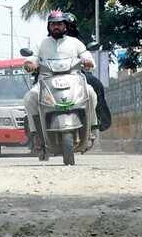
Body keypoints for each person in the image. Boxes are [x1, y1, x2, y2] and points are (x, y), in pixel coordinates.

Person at [23, 10, 99, 145]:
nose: (56, 27)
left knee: (91, 93)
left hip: (74, 79)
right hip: (46, 81)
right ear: (49, 27)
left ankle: (92, 127)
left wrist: (88, 61)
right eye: (53, 24)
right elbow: (33, 57)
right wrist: (30, 64)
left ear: (65, 26)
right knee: (29, 98)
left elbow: (85, 54)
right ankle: (36, 134)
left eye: (59, 24)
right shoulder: (42, 43)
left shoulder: (75, 42)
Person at [63, 12, 112, 131]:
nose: (67, 29)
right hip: (52, 75)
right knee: (34, 92)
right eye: (64, 25)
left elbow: (86, 54)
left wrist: (87, 61)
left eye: (70, 26)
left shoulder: (78, 41)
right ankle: (35, 130)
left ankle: (100, 118)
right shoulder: (48, 42)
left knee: (96, 84)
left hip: (76, 73)